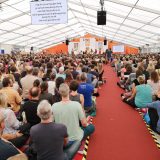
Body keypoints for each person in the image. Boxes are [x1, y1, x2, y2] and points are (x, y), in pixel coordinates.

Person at [52, 83, 95, 160]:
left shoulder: (54, 106)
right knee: (91, 127)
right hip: (75, 138)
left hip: (60, 140)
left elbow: (51, 123)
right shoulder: (76, 105)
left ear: (59, 92)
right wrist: (86, 119)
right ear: (69, 91)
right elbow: (84, 124)